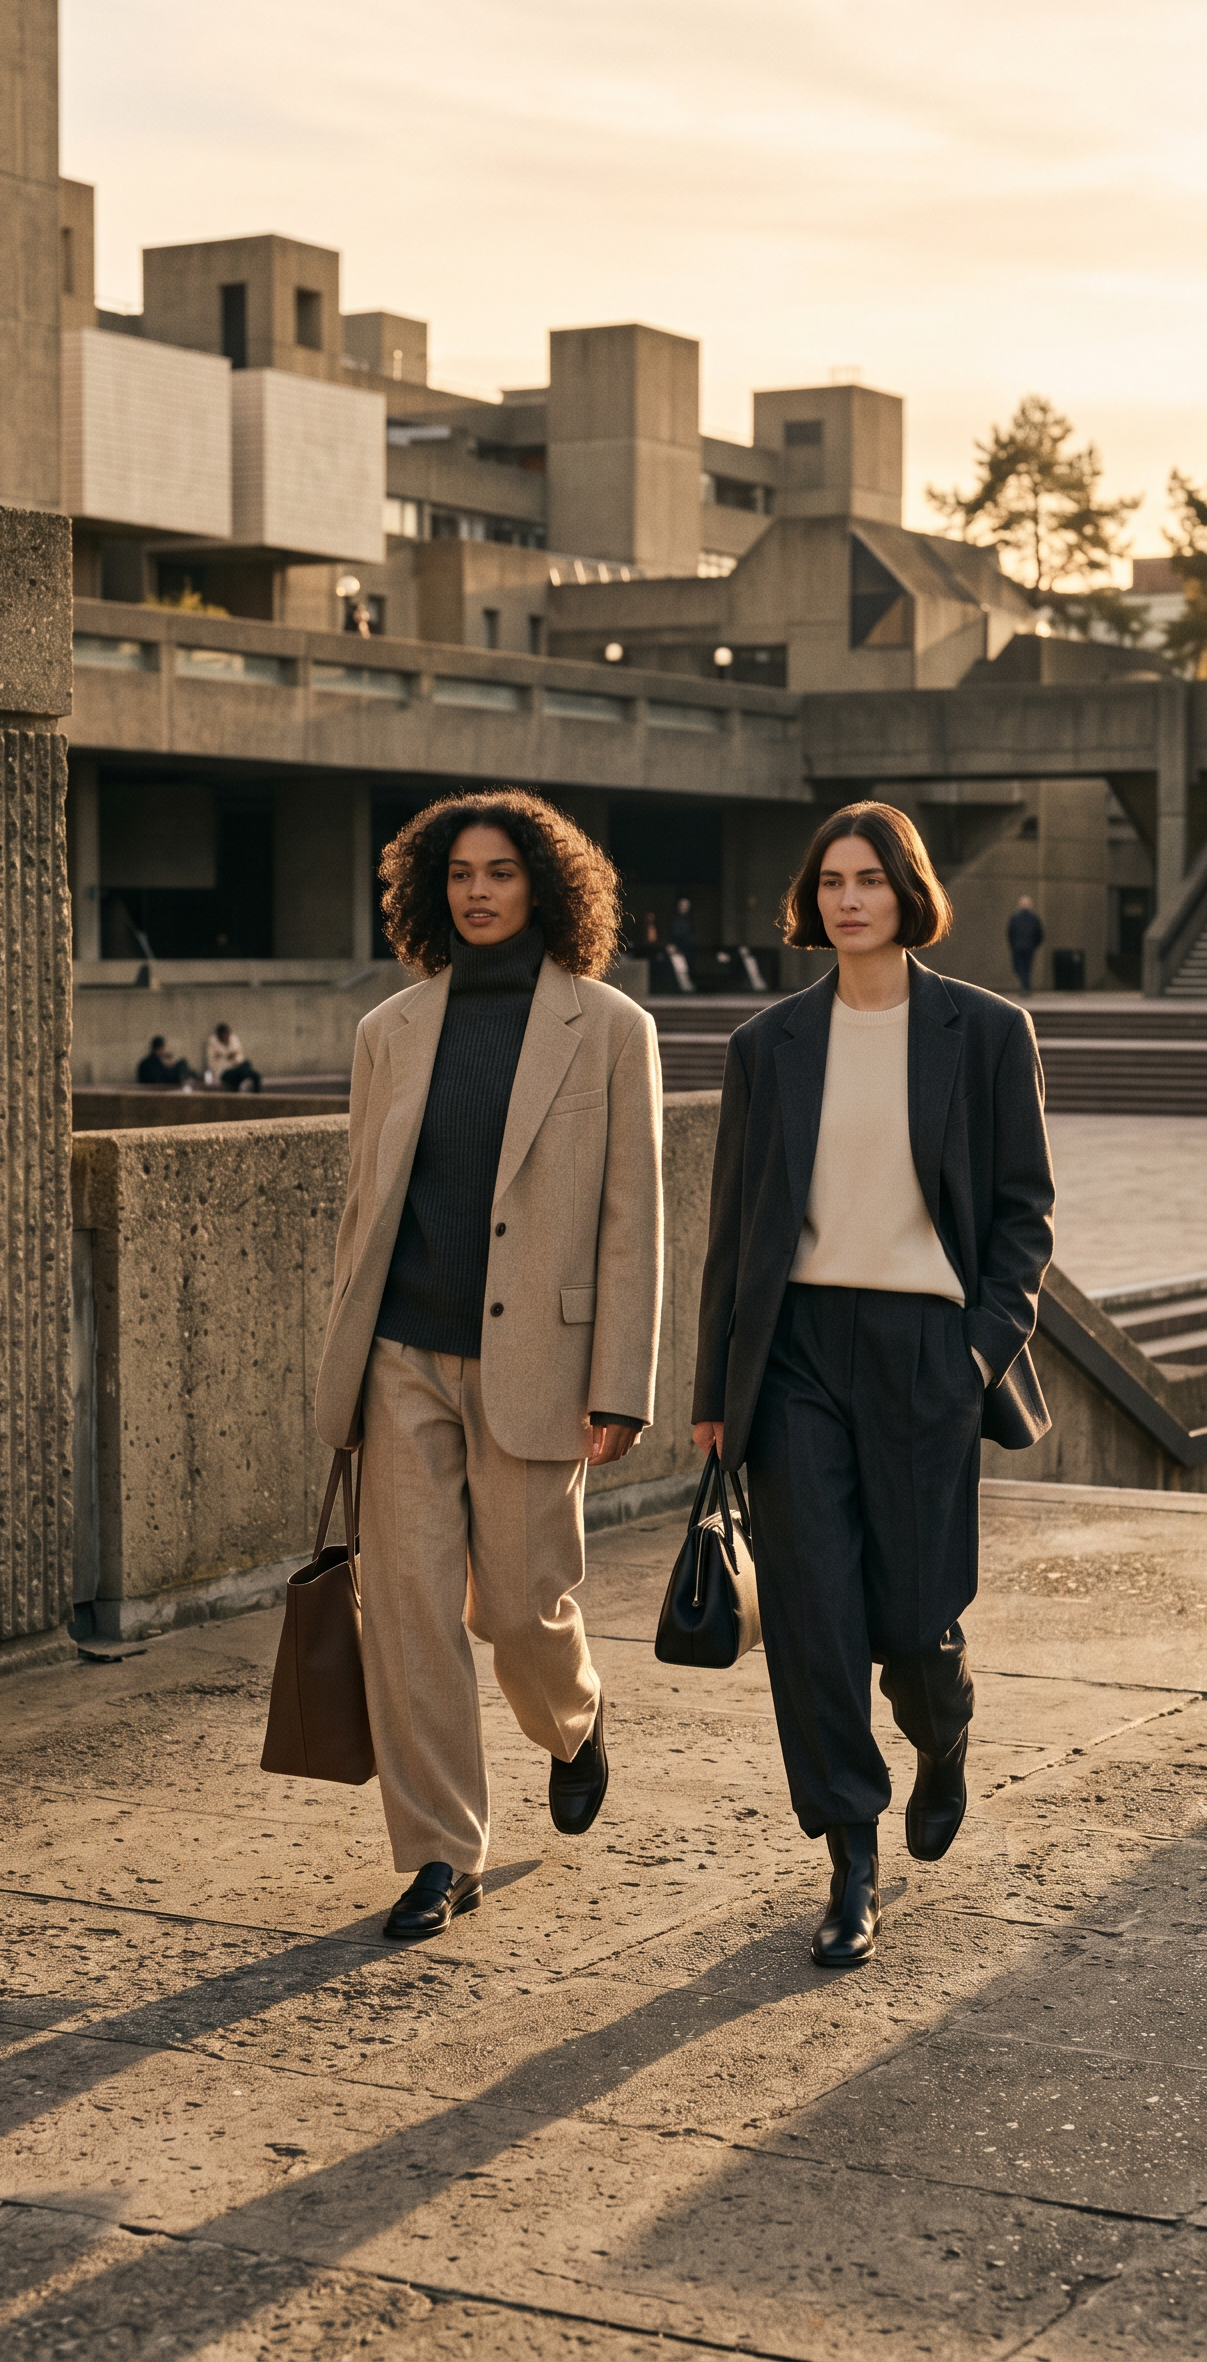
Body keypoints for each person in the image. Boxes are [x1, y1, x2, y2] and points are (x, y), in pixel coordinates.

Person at [692, 802, 1053, 1972]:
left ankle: (942, 1736)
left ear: (908, 892)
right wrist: (714, 1390)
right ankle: (850, 1857)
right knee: (812, 1618)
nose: (848, 899)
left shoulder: (984, 1031)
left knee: (910, 1624)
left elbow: (1023, 1216)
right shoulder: (767, 1045)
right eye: (831, 881)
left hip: (923, 1353)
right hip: (795, 1353)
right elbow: (734, 1234)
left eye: (870, 879)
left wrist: (973, 1353)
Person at [314, 788, 664, 1943]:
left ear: (544, 886)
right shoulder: (389, 1031)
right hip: (401, 1359)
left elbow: (632, 1219)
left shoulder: (608, 1027)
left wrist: (621, 1383)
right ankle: (439, 1853)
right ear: (431, 889)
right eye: (458, 873)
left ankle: (574, 1720)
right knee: (408, 1611)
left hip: (537, 1365)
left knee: (518, 1608)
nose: (476, 891)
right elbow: (365, 1206)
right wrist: (344, 1360)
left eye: (499, 872)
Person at [206, 1022, 262, 1093]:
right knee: (240, 1073)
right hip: (224, 1073)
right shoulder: (212, 1045)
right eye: (223, 1035)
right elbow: (213, 1064)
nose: (225, 1037)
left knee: (248, 1067)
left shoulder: (233, 1041)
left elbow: (239, 1058)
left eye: (227, 1034)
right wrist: (226, 1056)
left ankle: (257, 1095)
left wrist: (233, 1058)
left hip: (236, 1067)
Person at [1006, 895, 1044, 994]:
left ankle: (1025, 987)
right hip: (1025, 946)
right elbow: (1011, 932)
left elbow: (1038, 933)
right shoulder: (1027, 917)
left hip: (1022, 946)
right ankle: (1025, 986)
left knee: (1023, 967)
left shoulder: (1022, 917)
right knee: (1023, 967)